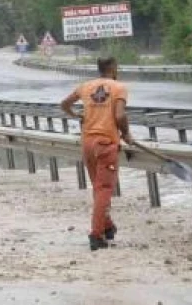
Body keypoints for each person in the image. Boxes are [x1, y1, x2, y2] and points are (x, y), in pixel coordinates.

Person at [60, 57, 130, 251]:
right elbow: (120, 115)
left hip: (88, 144)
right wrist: (126, 133)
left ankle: (108, 226)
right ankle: (96, 234)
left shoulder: (86, 86)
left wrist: (78, 116)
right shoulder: (119, 87)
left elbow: (64, 104)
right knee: (104, 189)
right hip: (106, 145)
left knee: (98, 189)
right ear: (114, 68)